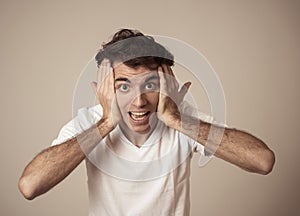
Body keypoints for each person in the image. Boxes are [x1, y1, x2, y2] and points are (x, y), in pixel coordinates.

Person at [18, 29, 275, 215]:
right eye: (124, 86)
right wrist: (106, 123)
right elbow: (30, 186)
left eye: (150, 85)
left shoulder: (181, 118)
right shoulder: (90, 121)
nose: (139, 101)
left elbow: (262, 161)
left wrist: (176, 119)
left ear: (165, 85)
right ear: (104, 89)